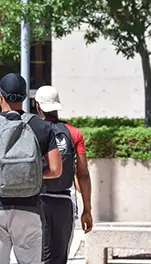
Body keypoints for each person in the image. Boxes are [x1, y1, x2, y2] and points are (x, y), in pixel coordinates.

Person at [0, 73, 62, 264]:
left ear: (0, 96)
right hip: (30, 208)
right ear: (26, 97)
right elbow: (56, 169)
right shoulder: (42, 128)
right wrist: (29, 175)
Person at [34, 85, 93, 264]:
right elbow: (82, 174)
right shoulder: (74, 133)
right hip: (64, 203)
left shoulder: (33, 130)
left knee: (39, 258)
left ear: (38, 106)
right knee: (59, 259)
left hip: (38, 201)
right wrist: (87, 209)